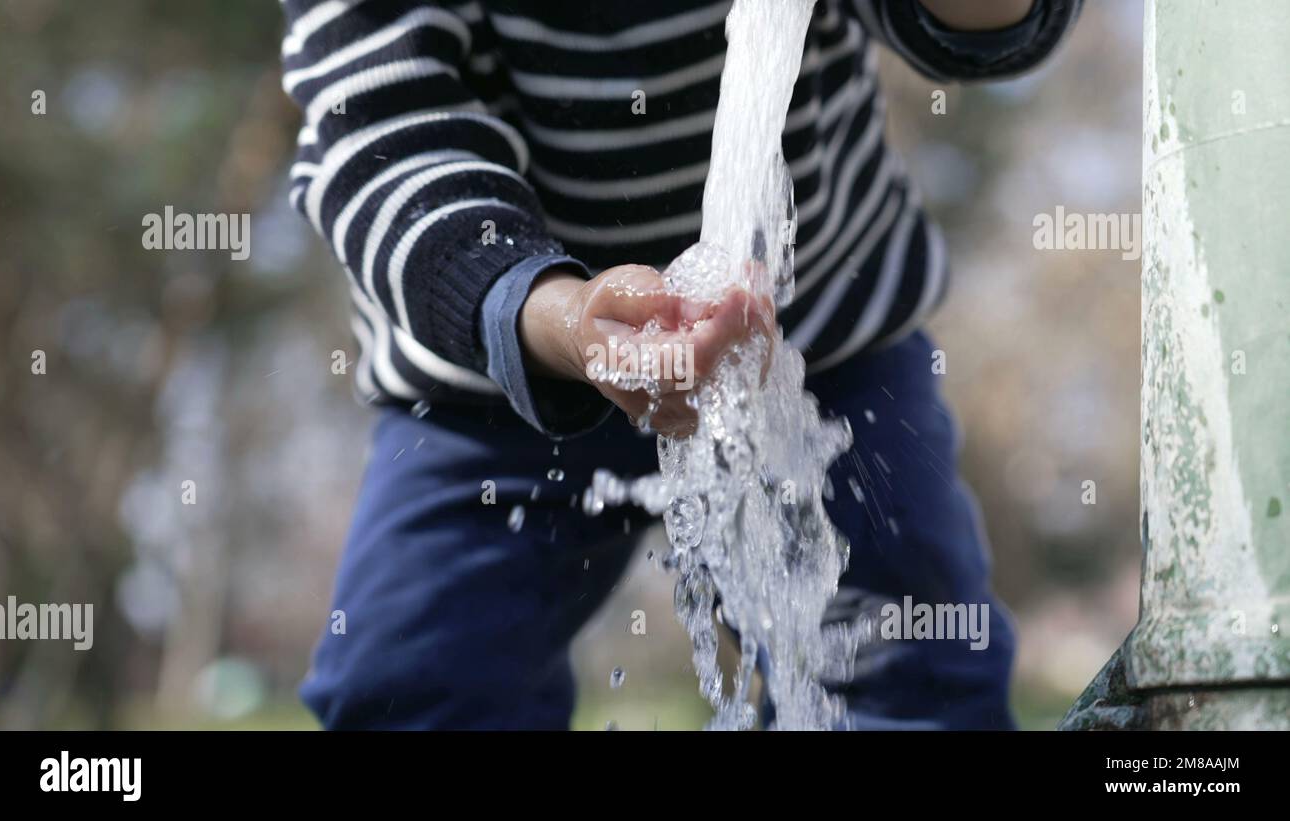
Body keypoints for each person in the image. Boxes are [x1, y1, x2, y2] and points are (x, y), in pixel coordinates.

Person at [279, 0, 1082, 729]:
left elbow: (977, 25)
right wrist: (555, 318)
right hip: (498, 366)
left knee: (901, 681)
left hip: (812, 350)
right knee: (416, 692)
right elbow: (383, 124)